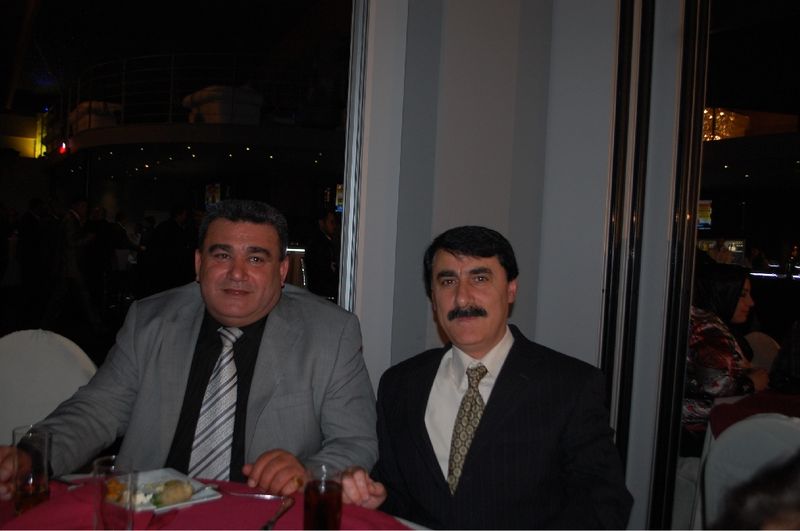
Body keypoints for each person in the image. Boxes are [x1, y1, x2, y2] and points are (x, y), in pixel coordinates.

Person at [0, 199, 377, 500]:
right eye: (222, 255)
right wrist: (31, 456)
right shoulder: (150, 321)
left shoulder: (330, 333)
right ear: (199, 264)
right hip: (149, 513)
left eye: (256, 258)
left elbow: (355, 442)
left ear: (281, 271)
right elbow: (96, 410)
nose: (237, 273)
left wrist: (307, 472)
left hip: (262, 515)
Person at [342, 225, 632, 529]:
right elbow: (400, 495)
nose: (462, 298)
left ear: (511, 290)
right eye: (448, 281)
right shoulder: (400, 385)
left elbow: (603, 504)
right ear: (433, 298)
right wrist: (377, 500)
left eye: (480, 279)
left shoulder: (570, 385)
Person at [681, 260, 770, 456]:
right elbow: (715, 385)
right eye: (742, 294)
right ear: (723, 293)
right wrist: (751, 383)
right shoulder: (708, 328)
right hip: (700, 435)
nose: (751, 302)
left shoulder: (701, 320)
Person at [303, 206, 340, 302]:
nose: (334, 226)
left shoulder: (320, 242)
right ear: (321, 223)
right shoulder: (321, 245)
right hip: (323, 294)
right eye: (331, 222)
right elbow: (324, 273)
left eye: (334, 222)